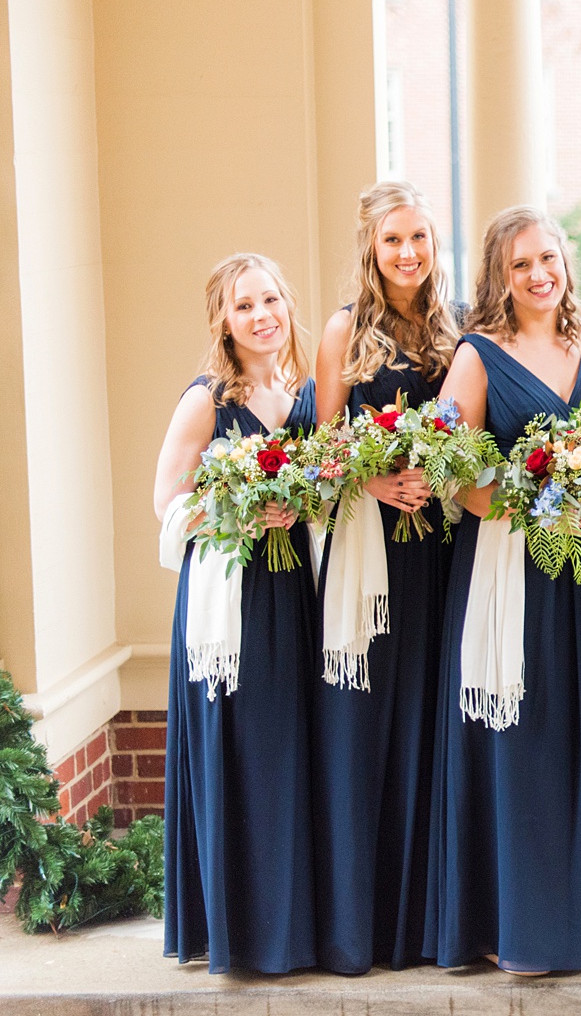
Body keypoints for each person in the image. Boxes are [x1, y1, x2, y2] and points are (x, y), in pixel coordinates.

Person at [422, 207, 581, 974]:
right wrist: (534, 503)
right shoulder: (478, 354)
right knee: (521, 741)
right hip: (512, 568)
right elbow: (445, 464)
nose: (539, 275)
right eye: (521, 264)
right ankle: (512, 921)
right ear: (499, 278)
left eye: (548, 259)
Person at [309, 181, 462, 974]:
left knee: (432, 722)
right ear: (371, 246)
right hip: (371, 547)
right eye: (394, 239)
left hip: (439, 545)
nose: (408, 253)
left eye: (420, 239)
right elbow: (318, 443)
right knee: (366, 722)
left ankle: (425, 922)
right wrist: (372, 482)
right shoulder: (344, 330)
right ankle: (360, 925)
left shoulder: (456, 326)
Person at [154, 252, 319, 973]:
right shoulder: (207, 400)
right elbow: (168, 502)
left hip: (294, 596)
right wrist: (243, 509)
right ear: (223, 318)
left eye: (272, 300)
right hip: (232, 598)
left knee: (288, 755)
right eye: (246, 304)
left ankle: (290, 926)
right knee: (243, 752)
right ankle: (240, 932)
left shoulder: (305, 396)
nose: (263, 316)